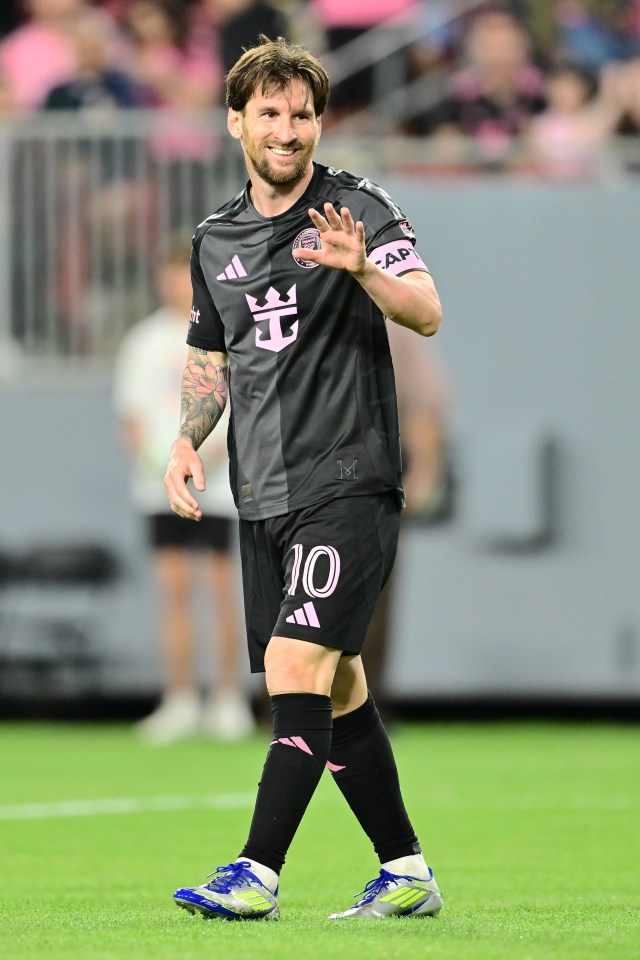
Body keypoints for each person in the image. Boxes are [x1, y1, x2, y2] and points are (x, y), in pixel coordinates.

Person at [163, 36, 443, 920]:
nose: (289, 130)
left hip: (348, 477)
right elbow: (211, 353)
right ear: (238, 121)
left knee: (294, 663)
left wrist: (362, 267)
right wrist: (185, 443)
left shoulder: (356, 207)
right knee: (340, 683)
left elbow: (427, 311)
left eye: (304, 114)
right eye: (272, 113)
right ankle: (405, 870)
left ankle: (256, 872)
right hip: (264, 493)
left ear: (320, 122)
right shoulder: (216, 238)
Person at [113, 237, 254, 744]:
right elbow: (130, 418)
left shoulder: (222, 334)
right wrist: (160, 463)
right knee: (173, 592)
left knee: (219, 591)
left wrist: (202, 456)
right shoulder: (143, 341)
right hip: (159, 488)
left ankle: (229, 700)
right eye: (172, 274)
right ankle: (179, 699)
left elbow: (235, 407)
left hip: (212, 488)